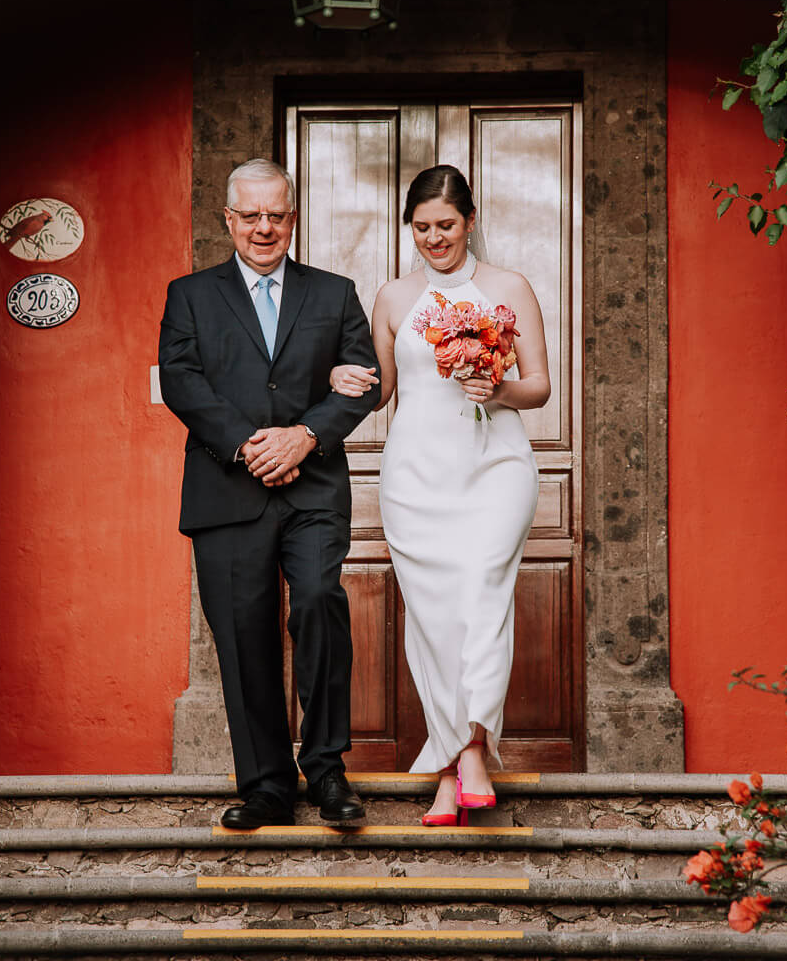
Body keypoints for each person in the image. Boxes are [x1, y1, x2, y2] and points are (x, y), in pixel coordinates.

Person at [159, 158, 380, 829]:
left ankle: (328, 770)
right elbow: (181, 380)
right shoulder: (190, 295)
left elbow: (365, 378)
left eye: (275, 215)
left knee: (319, 601)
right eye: (249, 216)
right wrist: (255, 444)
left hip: (312, 487)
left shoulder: (335, 293)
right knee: (242, 634)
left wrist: (305, 436)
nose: (263, 228)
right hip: (227, 486)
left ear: (293, 216)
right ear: (229, 220)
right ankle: (266, 786)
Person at [329, 164, 548, 826]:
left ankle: (473, 747)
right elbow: (383, 389)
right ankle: (455, 769)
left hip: (496, 467)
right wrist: (335, 375)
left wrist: (497, 389)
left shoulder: (509, 288)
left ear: (470, 221)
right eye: (422, 227)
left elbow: (538, 384)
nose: (434, 238)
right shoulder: (395, 298)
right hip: (415, 476)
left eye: (446, 225)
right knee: (434, 623)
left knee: (483, 592)